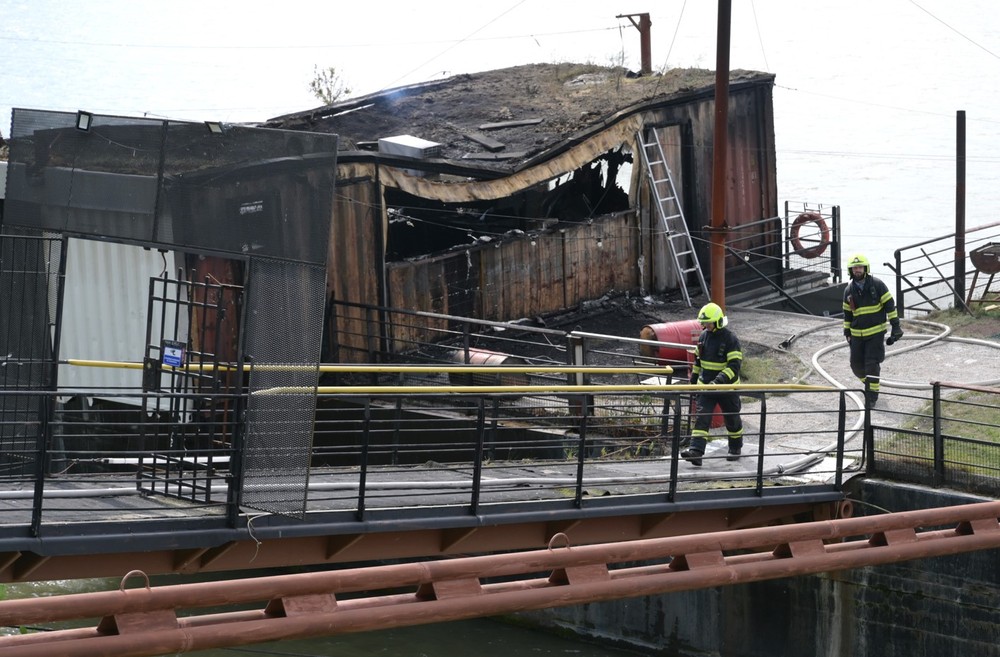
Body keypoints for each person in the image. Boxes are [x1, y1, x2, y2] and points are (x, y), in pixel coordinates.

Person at [681, 302, 744, 466]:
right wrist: (693, 382)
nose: (705, 325)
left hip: (727, 388)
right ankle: (696, 452)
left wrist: (718, 381)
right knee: (702, 419)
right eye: (704, 323)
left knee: (732, 420)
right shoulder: (703, 337)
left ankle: (735, 448)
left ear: (717, 321)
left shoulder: (731, 340)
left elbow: (734, 367)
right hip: (706, 387)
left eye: (708, 323)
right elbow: (698, 362)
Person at [842, 253, 903, 405]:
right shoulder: (848, 291)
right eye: (855, 268)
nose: (857, 270)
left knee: (871, 365)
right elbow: (847, 315)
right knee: (856, 366)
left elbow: (890, 306)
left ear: (865, 268)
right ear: (851, 270)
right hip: (856, 336)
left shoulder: (877, 285)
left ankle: (871, 397)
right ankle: (870, 385)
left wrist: (896, 326)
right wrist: (847, 333)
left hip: (875, 334)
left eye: (860, 267)